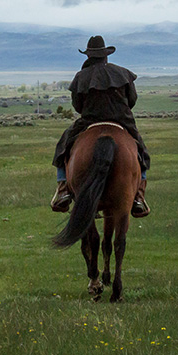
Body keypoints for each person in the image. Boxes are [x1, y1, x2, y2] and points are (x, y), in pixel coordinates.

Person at [50, 35, 151, 218]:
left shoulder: (81, 77)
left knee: (63, 148)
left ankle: (63, 188)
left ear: (88, 56)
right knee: (141, 153)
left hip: (89, 121)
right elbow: (132, 100)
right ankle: (138, 195)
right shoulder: (122, 73)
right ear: (106, 55)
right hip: (122, 120)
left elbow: (78, 106)